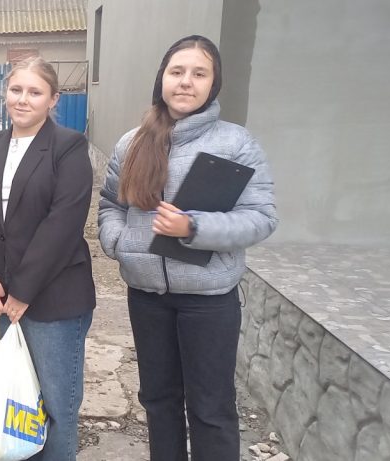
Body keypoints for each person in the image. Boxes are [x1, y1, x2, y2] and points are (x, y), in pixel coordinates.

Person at [97, 35, 277, 461]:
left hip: (209, 300)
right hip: (147, 297)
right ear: (162, 77)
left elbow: (261, 217)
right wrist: (120, 242)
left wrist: (193, 227)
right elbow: (110, 203)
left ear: (213, 84)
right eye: (177, 72)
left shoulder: (235, 143)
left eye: (199, 73)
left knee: (210, 407)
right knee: (157, 400)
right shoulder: (132, 143)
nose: (186, 82)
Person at [0, 56, 95, 461]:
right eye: (16, 90)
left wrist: (23, 290)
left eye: (35, 92)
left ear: (53, 99)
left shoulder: (68, 148)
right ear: (6, 94)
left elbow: (63, 224)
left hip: (52, 301)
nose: (23, 99)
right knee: (5, 403)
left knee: (54, 407)